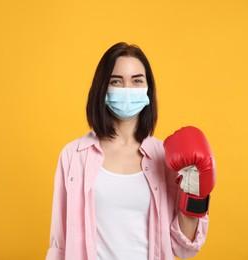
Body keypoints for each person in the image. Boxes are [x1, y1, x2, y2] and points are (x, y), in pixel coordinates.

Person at [46, 42, 214, 260]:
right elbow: (59, 243)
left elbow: (185, 248)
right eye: (116, 81)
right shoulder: (74, 156)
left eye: (137, 80)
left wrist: (196, 195)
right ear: (102, 89)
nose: (127, 89)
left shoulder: (166, 157)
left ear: (148, 89)